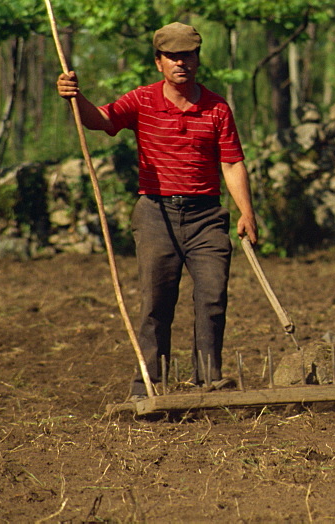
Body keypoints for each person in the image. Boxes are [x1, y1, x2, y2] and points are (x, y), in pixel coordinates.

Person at [57, 22, 258, 400]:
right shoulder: (142, 101)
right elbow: (101, 120)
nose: (182, 62)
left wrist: (246, 211)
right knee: (156, 301)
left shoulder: (217, 108)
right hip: (155, 214)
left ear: (198, 60)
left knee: (212, 297)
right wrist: (75, 96)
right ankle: (147, 383)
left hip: (206, 216)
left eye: (189, 55)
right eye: (173, 57)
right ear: (159, 63)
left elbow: (231, 163)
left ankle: (208, 379)